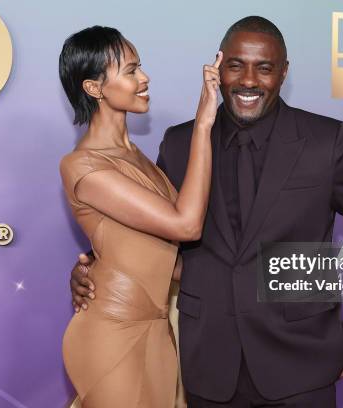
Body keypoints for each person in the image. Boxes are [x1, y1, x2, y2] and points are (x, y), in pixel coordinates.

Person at [70, 16, 343, 407]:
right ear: (217, 68)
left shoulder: (325, 142)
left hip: (302, 365)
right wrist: (92, 270)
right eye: (235, 65)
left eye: (264, 68)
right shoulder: (180, 144)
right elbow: (147, 235)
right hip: (207, 367)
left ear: (283, 72)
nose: (249, 80)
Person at [58, 25, 222, 407]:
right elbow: (186, 224)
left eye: (140, 67)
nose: (144, 78)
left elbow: (164, 257)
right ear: (94, 88)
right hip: (113, 333)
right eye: (130, 71)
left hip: (159, 328)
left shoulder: (139, 159)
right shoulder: (82, 166)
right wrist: (203, 123)